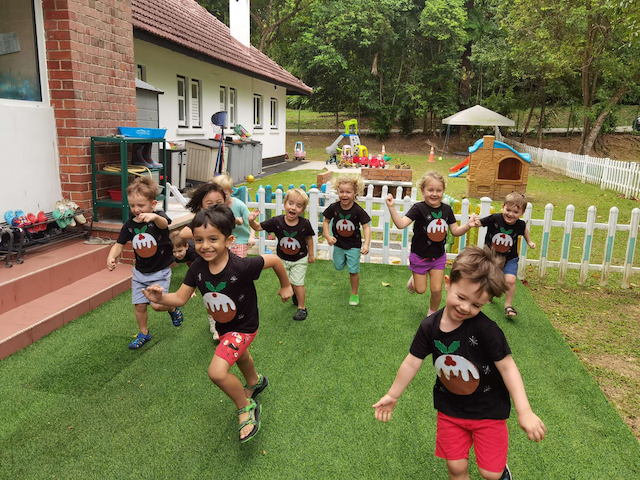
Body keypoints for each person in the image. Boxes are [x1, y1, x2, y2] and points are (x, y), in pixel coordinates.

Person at [373, 246, 546, 480]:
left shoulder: (487, 330)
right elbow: (412, 362)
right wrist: (393, 395)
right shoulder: (429, 327)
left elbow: (508, 367)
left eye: (476, 305)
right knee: (455, 468)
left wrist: (524, 411)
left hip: (488, 411)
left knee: (490, 474)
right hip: (450, 410)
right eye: (461, 297)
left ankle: (501, 470)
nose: (465, 307)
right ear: (448, 283)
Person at [143, 204, 293, 443]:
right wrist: (159, 299)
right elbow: (180, 298)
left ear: (229, 240)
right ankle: (255, 382)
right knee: (241, 356)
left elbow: (274, 260)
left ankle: (246, 406)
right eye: (199, 240)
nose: (205, 246)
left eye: (213, 239)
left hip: (244, 327)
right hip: (225, 327)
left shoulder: (241, 266)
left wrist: (285, 286)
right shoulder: (198, 267)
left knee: (216, 372)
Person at [106, 176, 184, 349]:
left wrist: (153, 217)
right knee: (140, 306)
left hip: (160, 271)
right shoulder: (129, 225)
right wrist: (112, 256)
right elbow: (119, 244)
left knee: (157, 305)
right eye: (132, 205)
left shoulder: (158, 218)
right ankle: (144, 333)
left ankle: (172, 308)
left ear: (153, 204)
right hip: (140, 273)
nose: (136, 209)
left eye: (141, 205)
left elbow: (164, 225)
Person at [386, 171, 476, 317]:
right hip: (419, 256)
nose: (434, 194)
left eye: (438, 190)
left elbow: (455, 231)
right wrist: (391, 208)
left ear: (443, 191)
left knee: (436, 290)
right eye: (430, 190)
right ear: (422, 191)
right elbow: (401, 224)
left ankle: (432, 314)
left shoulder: (446, 210)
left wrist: (468, 225)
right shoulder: (418, 208)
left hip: (438, 257)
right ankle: (414, 281)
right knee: (420, 290)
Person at [248, 188, 315, 321]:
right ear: (284, 204)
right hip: (282, 260)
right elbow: (258, 227)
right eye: (291, 203)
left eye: (298, 206)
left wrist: (311, 254)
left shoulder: (304, 224)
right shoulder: (276, 221)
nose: (293, 208)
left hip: (299, 259)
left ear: (303, 210)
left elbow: (309, 238)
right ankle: (295, 294)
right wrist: (251, 221)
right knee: (288, 282)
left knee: (298, 283)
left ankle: (302, 308)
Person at [179, 181, 228, 339]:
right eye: (209, 204)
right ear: (201, 206)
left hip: (226, 261)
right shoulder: (200, 221)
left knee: (228, 291)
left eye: (219, 202)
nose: (215, 207)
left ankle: (228, 320)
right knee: (211, 293)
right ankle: (214, 321)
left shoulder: (226, 217)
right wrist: (203, 235)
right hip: (207, 263)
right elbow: (182, 233)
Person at [474, 192, 535, 318]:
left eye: (516, 212)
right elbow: (480, 223)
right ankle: (490, 294)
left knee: (510, 280)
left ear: (522, 213)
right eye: (508, 210)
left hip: (510, 258)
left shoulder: (520, 224)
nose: (511, 214)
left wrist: (529, 241)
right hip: (492, 257)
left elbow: (524, 230)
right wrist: (475, 221)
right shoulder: (495, 218)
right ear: (503, 207)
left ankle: (508, 305)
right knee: (491, 278)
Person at [322, 174, 371, 306]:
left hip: (353, 246)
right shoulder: (334, 207)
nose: (344, 195)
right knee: (338, 266)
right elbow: (326, 221)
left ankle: (354, 294)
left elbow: (366, 227)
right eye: (341, 191)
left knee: (353, 271)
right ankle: (346, 261)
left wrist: (366, 244)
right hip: (338, 244)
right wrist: (327, 236)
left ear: (355, 193)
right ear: (337, 191)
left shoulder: (357, 210)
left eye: (348, 192)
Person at [211, 174, 255, 258]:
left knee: (239, 260)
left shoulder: (239, 205)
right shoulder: (215, 206)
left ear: (231, 193)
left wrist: (251, 237)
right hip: (222, 239)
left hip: (240, 240)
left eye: (225, 194)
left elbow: (251, 221)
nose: (222, 197)